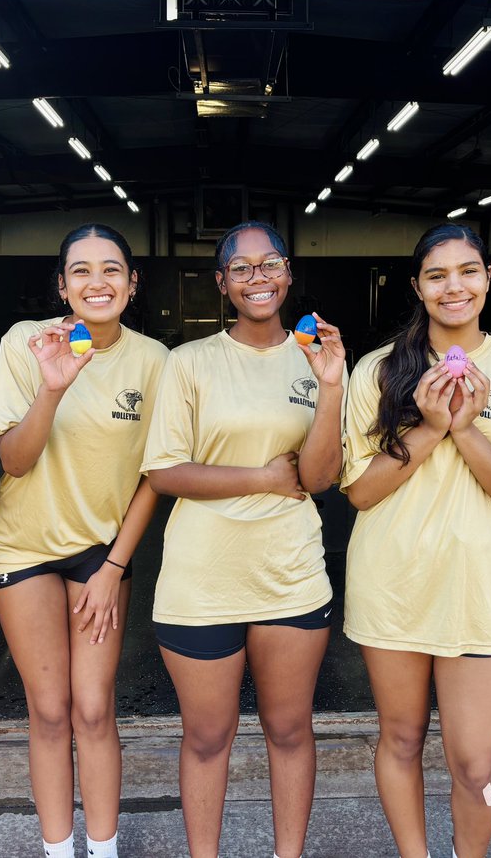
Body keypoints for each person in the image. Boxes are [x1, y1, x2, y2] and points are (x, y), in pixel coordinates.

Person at [341, 224, 491, 858]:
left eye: (468, 271)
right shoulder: (378, 371)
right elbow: (359, 492)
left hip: (476, 590)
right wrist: (431, 429)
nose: (453, 286)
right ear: (417, 287)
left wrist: (467, 431)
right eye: (437, 275)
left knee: (476, 762)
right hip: (393, 583)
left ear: (488, 278)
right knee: (400, 738)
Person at [141, 220, 346, 858]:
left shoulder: (318, 357)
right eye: (242, 268)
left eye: (270, 264)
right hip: (202, 578)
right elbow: (165, 471)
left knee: (289, 731)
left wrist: (333, 382)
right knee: (206, 737)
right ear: (223, 284)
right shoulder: (190, 362)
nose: (258, 277)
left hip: (289, 572)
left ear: (288, 273)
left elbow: (318, 478)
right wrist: (261, 476)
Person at [0, 224, 169, 858]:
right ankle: (58, 849)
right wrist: (52, 386)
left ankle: (105, 846)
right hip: (23, 547)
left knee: (93, 707)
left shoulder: (155, 362)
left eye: (112, 269)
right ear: (61, 285)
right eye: (82, 271)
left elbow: (156, 475)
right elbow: (13, 460)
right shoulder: (27, 344)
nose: (98, 282)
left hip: (100, 552)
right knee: (50, 709)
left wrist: (115, 567)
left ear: (132, 283)